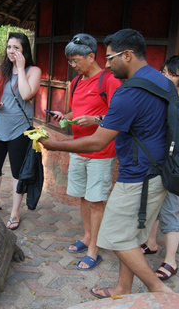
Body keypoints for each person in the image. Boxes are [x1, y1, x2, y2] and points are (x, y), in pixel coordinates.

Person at [40, 28, 173, 297]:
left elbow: (98, 141)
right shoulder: (162, 81)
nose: (108, 64)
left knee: (114, 235)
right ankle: (123, 288)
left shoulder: (127, 91)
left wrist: (56, 145)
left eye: (111, 58)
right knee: (132, 237)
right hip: (159, 171)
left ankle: (158, 289)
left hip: (138, 175)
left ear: (127, 55)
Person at [49, 33, 121, 270]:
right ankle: (88, 236)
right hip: (78, 149)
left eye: (77, 60)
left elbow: (119, 114)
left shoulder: (109, 80)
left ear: (92, 56)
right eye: (71, 61)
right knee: (82, 195)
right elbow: (74, 112)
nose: (73, 65)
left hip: (100, 151)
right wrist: (65, 117)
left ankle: (94, 249)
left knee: (96, 200)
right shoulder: (76, 82)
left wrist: (96, 119)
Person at [140, 55, 179, 280]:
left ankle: (171, 261)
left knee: (168, 210)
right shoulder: (158, 94)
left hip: (174, 166)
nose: (166, 76)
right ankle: (150, 243)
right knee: (151, 206)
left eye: (172, 74)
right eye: (164, 71)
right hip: (153, 160)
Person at [0, 32, 41, 230]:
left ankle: (15, 212)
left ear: (24, 50)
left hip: (20, 129)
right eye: (9, 47)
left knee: (17, 171)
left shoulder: (33, 70)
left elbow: (26, 94)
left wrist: (20, 68)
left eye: (16, 48)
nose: (11, 51)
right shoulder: (3, 69)